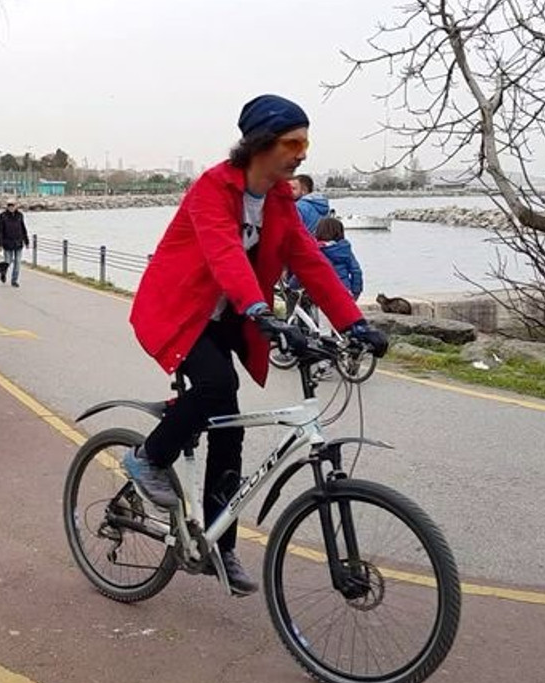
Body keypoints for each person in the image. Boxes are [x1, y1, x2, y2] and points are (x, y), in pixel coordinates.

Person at [122, 94, 390, 596]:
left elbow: (310, 261)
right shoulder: (212, 189)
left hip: (228, 317)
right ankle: (148, 458)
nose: (302, 153)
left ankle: (219, 547)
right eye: (293, 142)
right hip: (181, 311)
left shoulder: (282, 202)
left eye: (306, 143)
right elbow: (224, 253)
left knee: (230, 431)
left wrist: (355, 324)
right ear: (261, 144)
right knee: (215, 383)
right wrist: (260, 310)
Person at [311, 216, 363, 300]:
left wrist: (292, 286)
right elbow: (356, 271)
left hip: (320, 291)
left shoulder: (314, 249)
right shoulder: (344, 249)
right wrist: (356, 291)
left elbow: (305, 270)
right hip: (343, 289)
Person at [0, 199, 30, 287]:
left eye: (13, 205)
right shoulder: (2, 216)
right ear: (7, 206)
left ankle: (14, 280)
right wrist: (0, 243)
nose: (11, 207)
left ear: (16, 206)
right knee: (7, 262)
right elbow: (0, 230)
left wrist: (26, 241)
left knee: (17, 262)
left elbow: (23, 228)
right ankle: (3, 273)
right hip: (7, 243)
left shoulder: (20, 215)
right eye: (9, 205)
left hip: (18, 242)